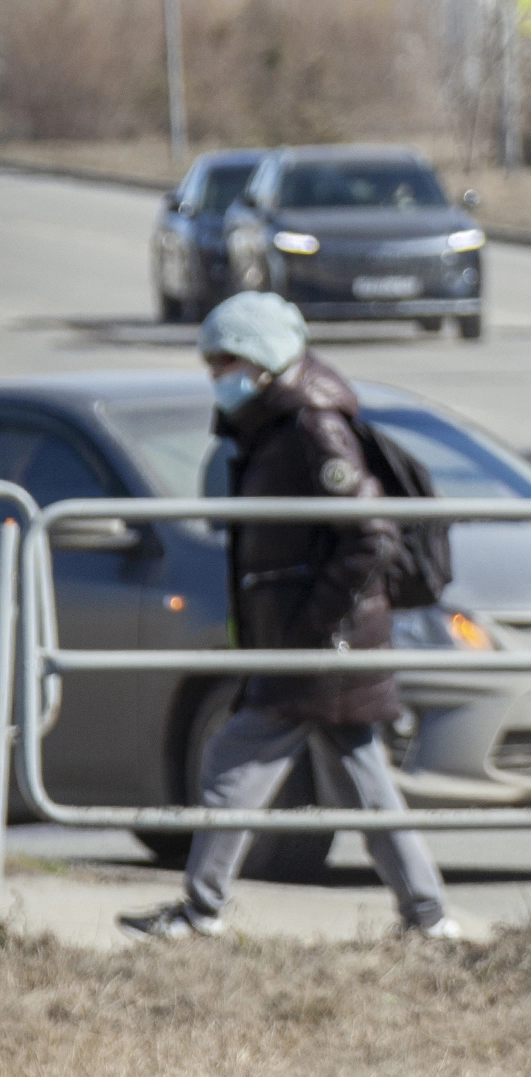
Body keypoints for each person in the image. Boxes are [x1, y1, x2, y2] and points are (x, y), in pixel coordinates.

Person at [119, 293, 458, 943]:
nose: (217, 377)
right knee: (364, 784)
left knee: (233, 762)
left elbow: (371, 536)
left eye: (226, 362)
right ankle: (427, 917)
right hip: (321, 644)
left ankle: (201, 910)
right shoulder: (273, 424)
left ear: (264, 360)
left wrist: (311, 627)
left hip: (319, 647)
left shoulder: (311, 428)